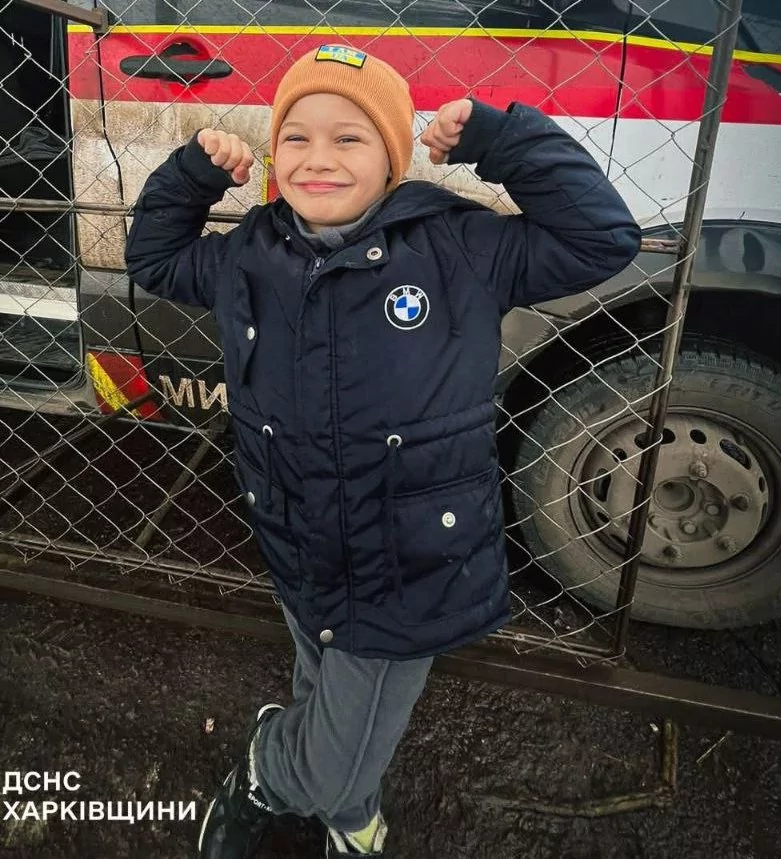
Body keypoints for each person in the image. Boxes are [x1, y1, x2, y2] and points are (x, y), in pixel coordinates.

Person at [126, 44, 640, 859]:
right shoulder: (250, 254)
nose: (318, 158)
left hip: (409, 559)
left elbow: (601, 238)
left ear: (394, 157)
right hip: (296, 539)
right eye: (296, 137)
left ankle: (268, 771)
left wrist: (503, 142)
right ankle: (352, 813)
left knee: (338, 738)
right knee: (329, 698)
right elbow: (154, 259)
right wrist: (191, 175)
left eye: (349, 138)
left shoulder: (459, 247)